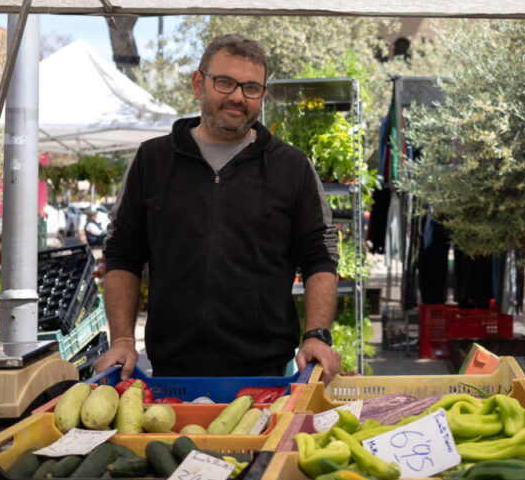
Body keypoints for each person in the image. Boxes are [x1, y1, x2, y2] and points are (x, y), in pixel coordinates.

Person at [96, 33, 342, 382]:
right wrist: (122, 339)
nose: (238, 97)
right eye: (225, 83)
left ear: (262, 95)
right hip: (169, 373)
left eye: (251, 88)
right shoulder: (152, 161)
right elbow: (123, 253)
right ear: (199, 83)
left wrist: (317, 334)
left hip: (267, 376)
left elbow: (320, 255)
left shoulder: (293, 167)